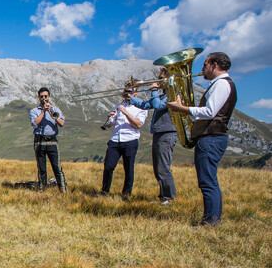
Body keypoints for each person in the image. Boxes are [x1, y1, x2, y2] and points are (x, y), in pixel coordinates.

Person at [167, 52, 236, 226]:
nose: (202, 68)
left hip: (211, 138)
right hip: (210, 137)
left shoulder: (221, 84)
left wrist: (184, 109)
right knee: (209, 180)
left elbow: (210, 112)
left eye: (205, 64)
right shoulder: (218, 84)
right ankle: (213, 219)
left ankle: (210, 221)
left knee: (207, 182)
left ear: (214, 65)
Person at [128, 68, 177, 204]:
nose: (157, 80)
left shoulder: (172, 94)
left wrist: (154, 90)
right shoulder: (162, 95)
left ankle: (170, 197)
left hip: (167, 132)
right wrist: (130, 99)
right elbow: (146, 105)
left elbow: (157, 105)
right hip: (159, 132)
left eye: (161, 77)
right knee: (158, 167)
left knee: (163, 167)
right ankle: (163, 196)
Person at [100, 84, 148, 198]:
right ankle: (104, 191)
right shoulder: (118, 105)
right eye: (125, 91)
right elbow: (111, 124)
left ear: (135, 93)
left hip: (130, 139)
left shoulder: (142, 107)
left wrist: (125, 112)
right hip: (115, 139)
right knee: (108, 166)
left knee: (128, 168)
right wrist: (109, 119)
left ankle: (126, 194)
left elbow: (138, 124)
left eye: (129, 92)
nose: (126, 94)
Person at [29, 87, 66, 192]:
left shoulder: (55, 110)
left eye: (45, 96)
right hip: (39, 141)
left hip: (52, 141)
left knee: (57, 167)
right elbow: (34, 123)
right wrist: (43, 112)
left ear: (49, 97)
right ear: (39, 98)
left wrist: (51, 113)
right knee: (41, 167)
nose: (43, 98)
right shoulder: (34, 111)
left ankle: (63, 190)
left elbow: (61, 123)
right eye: (41, 96)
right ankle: (42, 189)